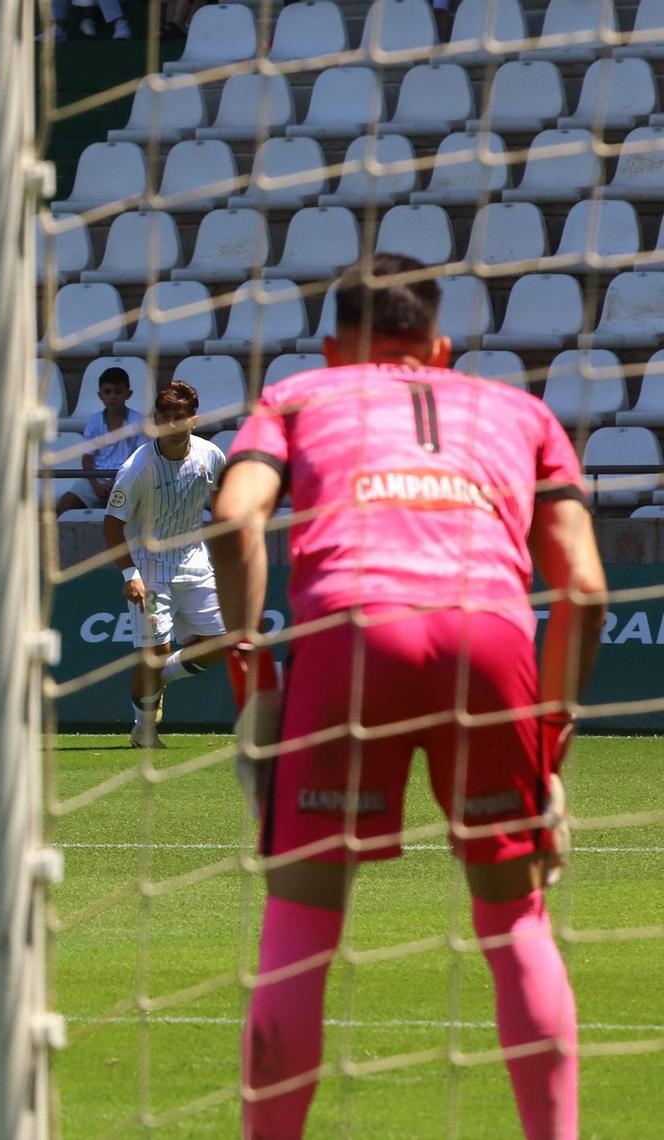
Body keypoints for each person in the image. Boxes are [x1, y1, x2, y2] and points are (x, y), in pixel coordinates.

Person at [211, 254, 606, 1140]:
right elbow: (582, 585)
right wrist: (556, 719)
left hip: (348, 635)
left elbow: (235, 524)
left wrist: (254, 677)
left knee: (301, 924)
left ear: (328, 344)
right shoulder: (520, 409)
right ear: (439, 346)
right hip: (490, 637)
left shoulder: (299, 396)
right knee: (515, 919)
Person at [102, 380, 230, 748]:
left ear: (194, 420)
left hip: (196, 564)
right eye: (164, 416)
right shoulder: (136, 468)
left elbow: (221, 505)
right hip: (150, 569)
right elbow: (112, 524)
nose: (171, 423)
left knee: (223, 642)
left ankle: (162, 675)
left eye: (180, 416)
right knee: (152, 655)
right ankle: (143, 730)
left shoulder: (211, 456)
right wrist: (130, 574)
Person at [56, 366, 142, 516]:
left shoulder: (139, 421)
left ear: (128, 394)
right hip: (95, 478)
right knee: (66, 503)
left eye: (118, 392)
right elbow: (88, 457)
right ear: (100, 395)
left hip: (127, 478)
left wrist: (116, 482)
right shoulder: (93, 422)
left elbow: (140, 458)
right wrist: (96, 484)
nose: (112, 397)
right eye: (107, 392)